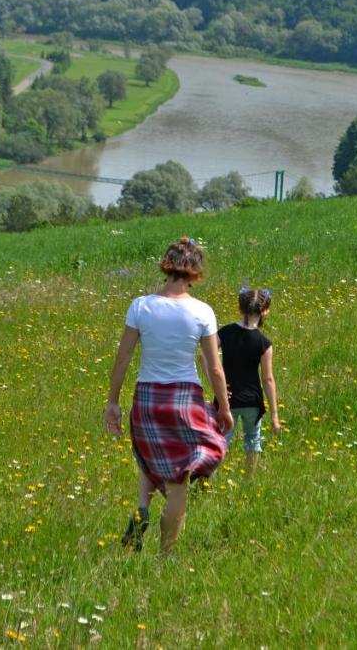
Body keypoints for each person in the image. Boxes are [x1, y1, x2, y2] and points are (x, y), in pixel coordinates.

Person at [105, 237, 233, 555]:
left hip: (147, 399)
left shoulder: (141, 306)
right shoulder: (202, 311)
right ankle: (168, 553)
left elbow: (122, 358)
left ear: (166, 268)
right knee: (180, 478)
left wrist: (112, 402)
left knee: (148, 461)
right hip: (184, 398)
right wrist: (224, 407)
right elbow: (215, 368)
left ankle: (141, 510)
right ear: (195, 273)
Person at [217, 287, 281, 473]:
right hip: (253, 401)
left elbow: (205, 354)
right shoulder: (264, 343)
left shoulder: (225, 333)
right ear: (265, 311)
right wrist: (275, 416)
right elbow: (268, 379)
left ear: (240, 309)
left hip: (226, 399)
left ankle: (208, 479)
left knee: (221, 440)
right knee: (253, 440)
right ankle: (249, 478)